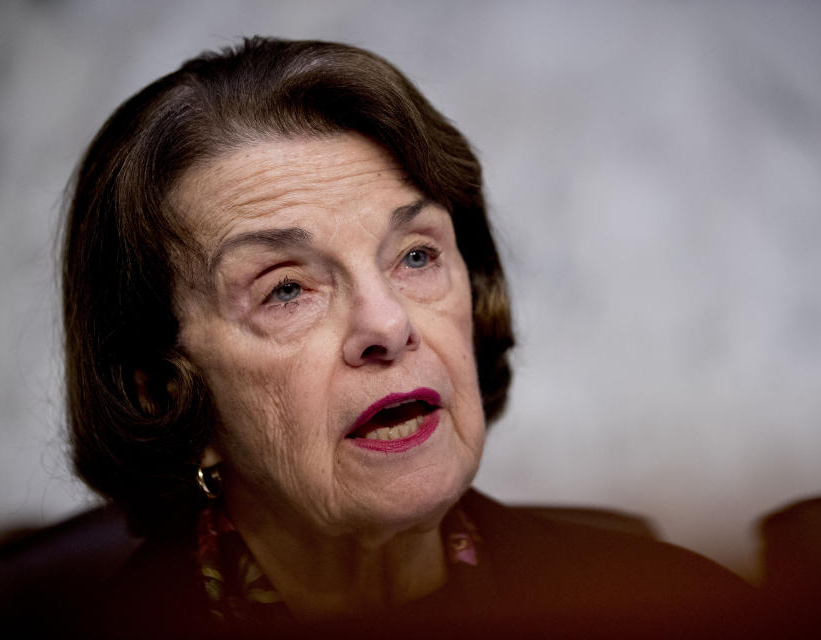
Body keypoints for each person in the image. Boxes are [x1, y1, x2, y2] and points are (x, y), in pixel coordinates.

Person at [58, 37, 757, 637]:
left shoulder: (678, 609)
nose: (387, 326)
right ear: (159, 389)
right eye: (286, 289)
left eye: (415, 255)